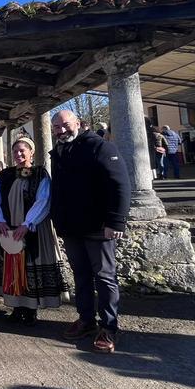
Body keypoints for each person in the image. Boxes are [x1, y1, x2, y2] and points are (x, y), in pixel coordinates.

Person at [50, 110, 130, 354]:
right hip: (71, 227)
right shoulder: (59, 151)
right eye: (56, 127)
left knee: (104, 277)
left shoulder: (100, 147)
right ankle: (86, 319)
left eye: (65, 125)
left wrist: (116, 221)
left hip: (97, 226)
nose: (61, 130)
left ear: (78, 123)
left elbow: (120, 184)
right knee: (81, 275)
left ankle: (109, 327)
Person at [0, 138, 69, 326]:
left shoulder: (40, 174)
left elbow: (43, 200)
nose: (18, 154)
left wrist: (27, 223)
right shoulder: (5, 175)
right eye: (15, 151)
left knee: (30, 265)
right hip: (9, 227)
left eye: (22, 150)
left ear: (31, 152)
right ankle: (17, 307)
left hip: (33, 228)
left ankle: (31, 310)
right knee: (13, 266)